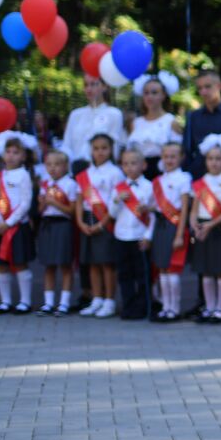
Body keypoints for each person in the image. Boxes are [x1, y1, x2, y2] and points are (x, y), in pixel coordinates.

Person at [189, 134, 221, 322]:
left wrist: (211, 224)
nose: (214, 163)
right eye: (210, 159)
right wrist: (194, 224)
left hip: (219, 228)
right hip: (203, 227)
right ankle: (209, 307)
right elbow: (194, 208)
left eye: (218, 159)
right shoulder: (201, 182)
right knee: (206, 269)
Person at [76, 133, 123, 318]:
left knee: (106, 262)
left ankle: (109, 300)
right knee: (92, 262)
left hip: (106, 220)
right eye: (96, 148)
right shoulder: (87, 173)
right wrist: (80, 221)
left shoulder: (115, 172)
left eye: (104, 148)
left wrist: (103, 223)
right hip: (87, 218)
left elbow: (115, 201)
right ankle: (97, 299)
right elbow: (80, 198)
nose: (100, 152)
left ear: (111, 150)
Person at [0, 136, 36, 313]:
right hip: (0, 227)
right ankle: (5, 301)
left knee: (20, 262)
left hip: (16, 227)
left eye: (16, 152)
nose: (11, 156)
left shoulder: (24, 175)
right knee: (1, 263)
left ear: (23, 156)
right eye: (8, 152)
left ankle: (25, 301)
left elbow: (25, 203)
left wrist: (9, 222)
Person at [112, 147, 155, 321]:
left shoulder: (150, 187)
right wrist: (117, 201)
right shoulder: (119, 188)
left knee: (142, 274)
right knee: (124, 274)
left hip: (139, 236)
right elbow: (112, 213)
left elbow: (153, 216)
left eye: (133, 163)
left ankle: (143, 306)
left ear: (143, 165)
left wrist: (148, 236)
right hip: (122, 236)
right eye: (126, 164)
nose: (130, 167)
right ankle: (128, 306)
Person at [151, 142, 191, 321]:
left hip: (174, 226)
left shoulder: (184, 179)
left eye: (173, 156)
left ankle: (175, 308)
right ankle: (165, 306)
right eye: (166, 156)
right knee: (162, 269)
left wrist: (179, 234)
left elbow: (183, 209)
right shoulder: (159, 180)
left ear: (181, 158)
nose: (169, 160)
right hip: (160, 226)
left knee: (172, 268)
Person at [36, 149, 79, 315]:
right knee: (49, 265)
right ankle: (48, 303)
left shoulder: (70, 184)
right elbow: (40, 210)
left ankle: (64, 302)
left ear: (65, 166)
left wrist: (53, 202)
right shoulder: (45, 183)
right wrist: (42, 203)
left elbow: (71, 211)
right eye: (49, 164)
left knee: (65, 264)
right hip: (47, 225)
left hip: (63, 225)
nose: (53, 168)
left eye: (57, 164)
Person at [63, 76, 126, 173]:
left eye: (93, 84)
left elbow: (115, 147)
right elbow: (67, 145)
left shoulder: (114, 114)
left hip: (102, 173)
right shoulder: (75, 114)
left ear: (104, 86)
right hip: (75, 171)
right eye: (86, 85)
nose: (89, 89)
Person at [128, 72, 182, 178]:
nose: (149, 97)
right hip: (138, 172)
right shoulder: (136, 123)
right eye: (146, 93)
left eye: (154, 93)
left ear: (163, 95)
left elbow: (177, 151)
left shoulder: (170, 121)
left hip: (163, 172)